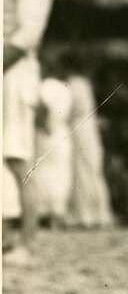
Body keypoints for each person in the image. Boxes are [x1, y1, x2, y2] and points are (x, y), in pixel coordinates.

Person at [3, 0, 54, 263]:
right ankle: (5, 237)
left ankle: (29, 243)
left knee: (18, 156)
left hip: (15, 72)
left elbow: (27, 35)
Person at [63, 55, 115, 229]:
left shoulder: (73, 83)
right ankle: (99, 215)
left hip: (79, 129)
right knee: (91, 171)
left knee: (81, 171)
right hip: (88, 128)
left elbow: (70, 109)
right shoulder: (84, 83)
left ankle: (84, 216)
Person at [30, 66, 74, 229]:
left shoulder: (46, 85)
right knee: (61, 173)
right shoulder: (65, 88)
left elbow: (43, 107)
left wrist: (43, 125)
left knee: (43, 172)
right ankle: (57, 213)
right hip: (62, 132)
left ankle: (45, 213)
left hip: (47, 132)